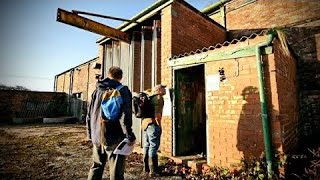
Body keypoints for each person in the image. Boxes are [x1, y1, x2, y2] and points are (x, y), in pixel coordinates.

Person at [86, 66, 136, 180]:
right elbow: (126, 116)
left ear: (109, 75)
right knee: (116, 171)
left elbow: (89, 113)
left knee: (97, 166)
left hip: (97, 135)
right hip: (114, 136)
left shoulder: (97, 90)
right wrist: (129, 134)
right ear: (121, 77)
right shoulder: (122, 90)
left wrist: (90, 133)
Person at [141, 84, 166, 177]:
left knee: (147, 145)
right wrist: (159, 125)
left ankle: (146, 168)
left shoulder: (150, 98)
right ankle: (153, 170)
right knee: (153, 146)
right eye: (163, 88)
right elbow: (157, 115)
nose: (164, 90)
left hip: (145, 124)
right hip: (152, 124)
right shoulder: (159, 98)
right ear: (158, 90)